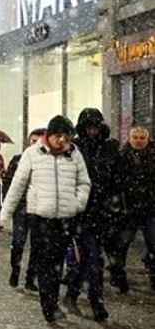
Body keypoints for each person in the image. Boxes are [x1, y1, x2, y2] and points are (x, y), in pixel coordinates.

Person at [0, 115, 91, 324]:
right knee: (45, 263)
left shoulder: (74, 154)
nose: (62, 141)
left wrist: (78, 203)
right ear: (49, 135)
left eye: (66, 137)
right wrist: (4, 216)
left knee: (58, 264)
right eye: (58, 136)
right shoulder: (32, 154)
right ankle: (49, 305)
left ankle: (52, 300)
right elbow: (17, 187)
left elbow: (84, 183)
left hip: (66, 218)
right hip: (41, 218)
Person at [63, 108, 118, 321]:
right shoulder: (74, 149)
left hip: (102, 214)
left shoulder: (108, 148)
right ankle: (97, 305)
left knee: (89, 261)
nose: (92, 131)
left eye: (95, 127)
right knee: (93, 260)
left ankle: (72, 293)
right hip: (81, 214)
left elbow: (115, 179)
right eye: (88, 127)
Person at [113, 126, 155, 292]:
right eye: (135, 137)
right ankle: (118, 275)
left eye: (141, 138)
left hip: (150, 209)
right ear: (129, 139)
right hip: (128, 210)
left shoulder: (151, 156)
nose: (138, 141)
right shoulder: (122, 156)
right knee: (122, 244)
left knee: (153, 244)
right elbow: (117, 182)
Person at [3, 127, 43, 291]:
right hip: (21, 208)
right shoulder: (18, 160)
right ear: (29, 141)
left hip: (39, 209)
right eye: (34, 141)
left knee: (37, 245)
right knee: (18, 241)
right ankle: (15, 271)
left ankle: (30, 278)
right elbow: (9, 184)